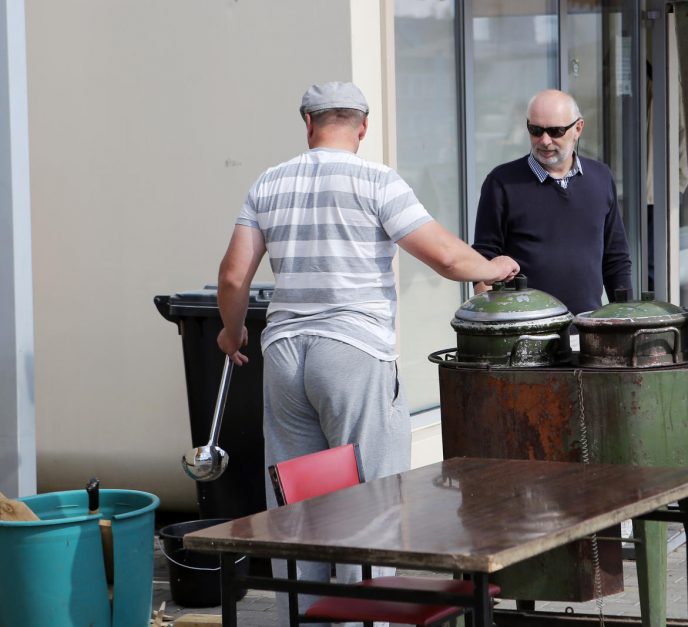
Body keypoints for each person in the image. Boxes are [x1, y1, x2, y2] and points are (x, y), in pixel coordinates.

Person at [215, 80, 519, 624]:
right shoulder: (377, 180)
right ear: (363, 126)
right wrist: (493, 268)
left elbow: (235, 275)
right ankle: (368, 621)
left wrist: (230, 332)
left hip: (285, 354)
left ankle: (301, 617)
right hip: (353, 350)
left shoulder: (269, 182)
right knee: (372, 498)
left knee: (296, 504)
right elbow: (447, 258)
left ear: (307, 124)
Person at [472, 89, 633, 315]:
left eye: (555, 131)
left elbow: (615, 258)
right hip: (525, 331)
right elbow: (484, 260)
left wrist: (624, 315)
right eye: (536, 130)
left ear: (578, 128)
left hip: (588, 329)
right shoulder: (501, 183)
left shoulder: (601, 177)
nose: (545, 141)